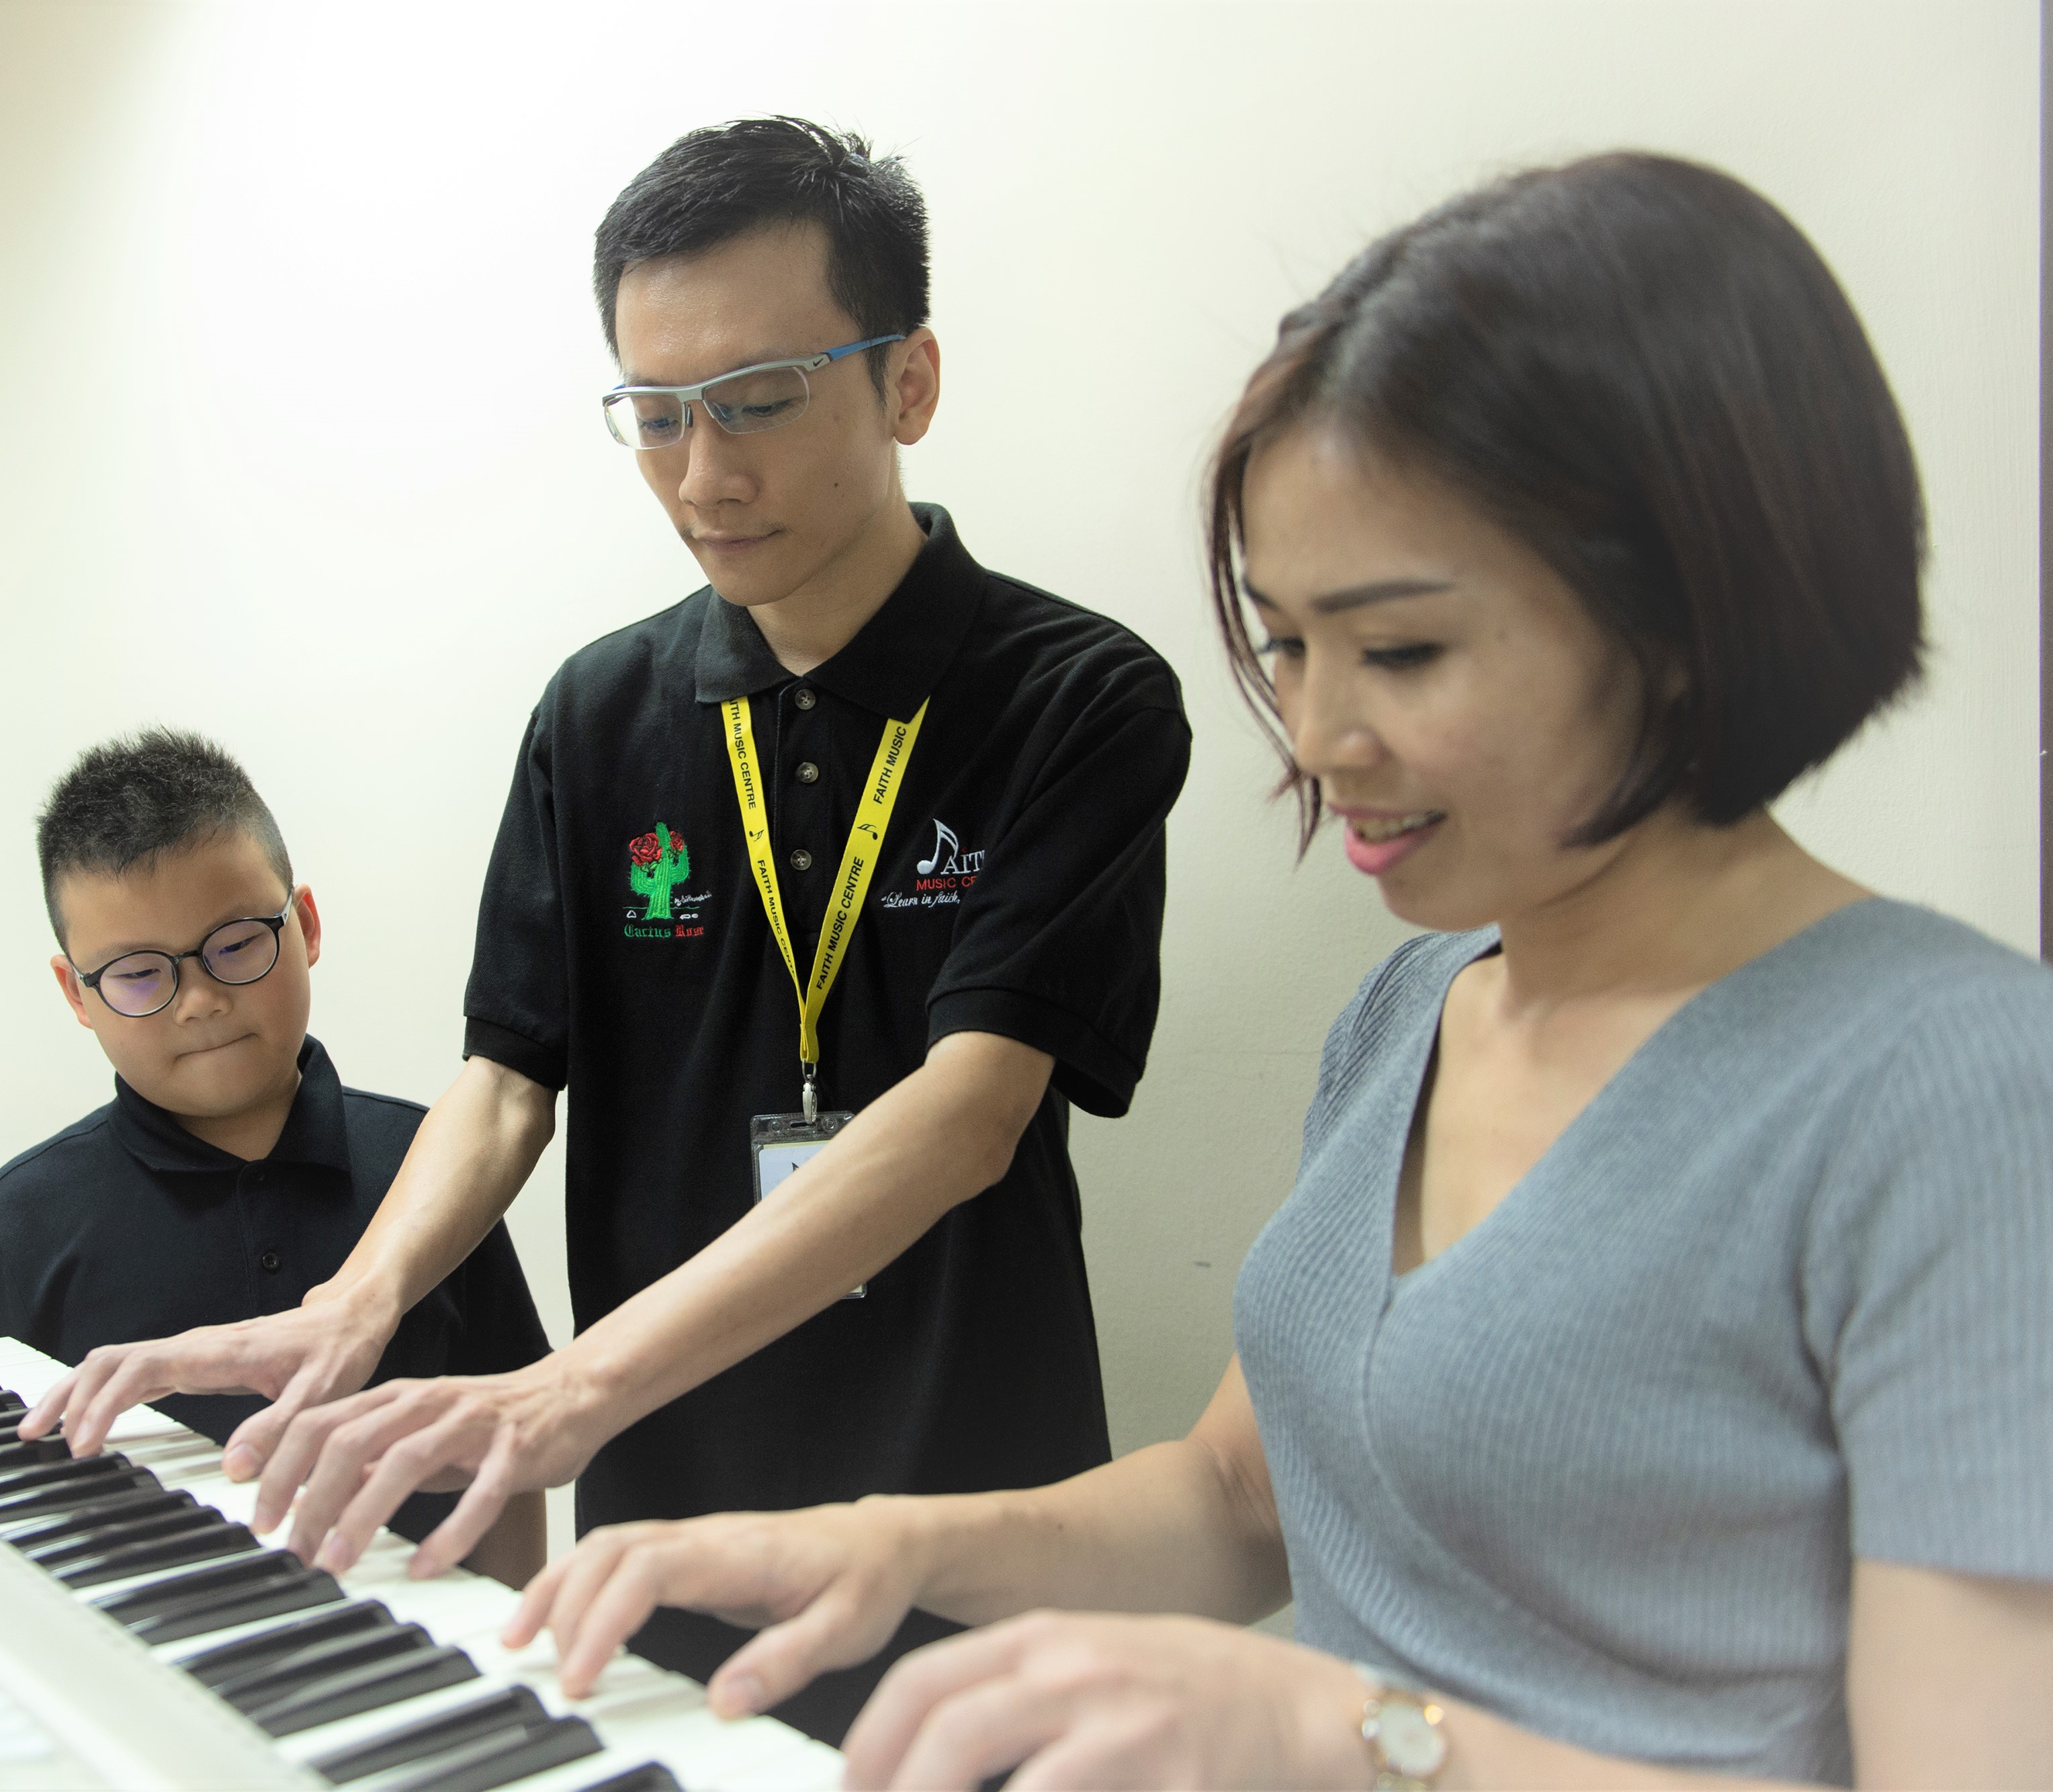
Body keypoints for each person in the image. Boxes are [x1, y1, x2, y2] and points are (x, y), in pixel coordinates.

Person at [496, 153, 2053, 1789]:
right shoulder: (1414, 1010)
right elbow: (1240, 1500)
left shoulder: (1956, 1087)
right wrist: (892, 1548)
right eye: (1286, 644)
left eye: (1399, 652)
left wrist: (1345, 1732)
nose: (1314, 741)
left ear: (1685, 617)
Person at [19, 120, 1191, 1740]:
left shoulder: (1076, 696)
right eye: (654, 416)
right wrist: (347, 1306)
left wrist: (563, 1388)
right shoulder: (599, 713)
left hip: (960, 1492)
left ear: (907, 382)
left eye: (760, 401)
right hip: (661, 1504)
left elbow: (967, 1114)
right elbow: (509, 1078)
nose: (704, 475)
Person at [0, 728, 550, 1587]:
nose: (202, 1002)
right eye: (140, 974)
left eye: (235, 943)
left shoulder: (432, 1173)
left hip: (423, 1662)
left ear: (307, 926)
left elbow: (505, 1453)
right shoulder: (13, 1230)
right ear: (77, 993)